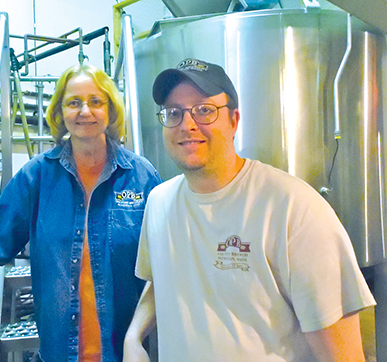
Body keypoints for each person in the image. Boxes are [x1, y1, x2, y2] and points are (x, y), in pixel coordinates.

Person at [123, 58, 376, 362]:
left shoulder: (293, 208)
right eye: (173, 113)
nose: (187, 124)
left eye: (204, 110)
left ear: (234, 120)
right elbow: (161, 277)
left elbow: (343, 355)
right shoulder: (159, 202)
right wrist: (134, 335)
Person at [0, 63, 161, 362]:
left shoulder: (140, 176)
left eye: (96, 101)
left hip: (126, 354)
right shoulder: (37, 177)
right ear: (59, 111)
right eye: (74, 102)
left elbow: (167, 263)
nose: (85, 111)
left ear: (111, 110)